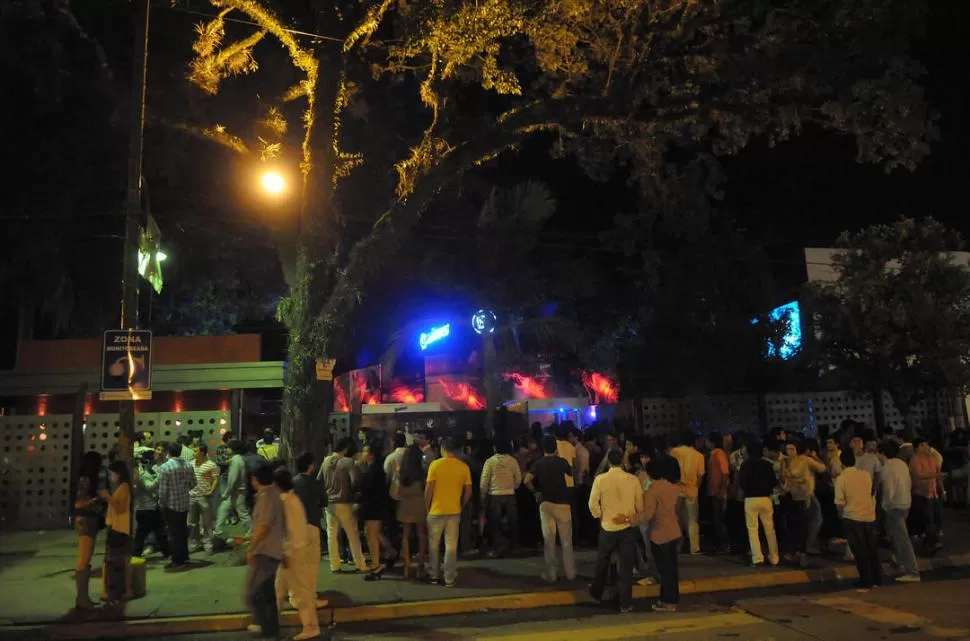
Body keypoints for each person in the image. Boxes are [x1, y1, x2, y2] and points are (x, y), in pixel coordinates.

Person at [589, 449, 643, 614]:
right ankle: (625, 603)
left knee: (602, 561)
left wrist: (600, 515)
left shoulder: (600, 479)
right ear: (622, 461)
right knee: (626, 566)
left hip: (607, 526)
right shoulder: (633, 480)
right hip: (627, 527)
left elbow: (592, 503)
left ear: (609, 461)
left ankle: (597, 592)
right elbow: (639, 506)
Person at [273, 469, 319, 641]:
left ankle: (311, 627)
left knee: (300, 592)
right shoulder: (292, 499)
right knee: (279, 589)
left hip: (292, 553)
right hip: (292, 552)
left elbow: (288, 531)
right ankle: (270, 624)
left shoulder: (286, 502)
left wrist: (285, 552)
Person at [525, 435, 576, 583]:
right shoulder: (562, 462)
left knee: (549, 540)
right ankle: (570, 572)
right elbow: (571, 472)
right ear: (555, 447)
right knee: (566, 540)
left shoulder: (538, 463)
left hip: (546, 504)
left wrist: (535, 492)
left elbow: (526, 480)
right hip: (563, 503)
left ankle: (551, 574)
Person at [243, 464, 286, 640]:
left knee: (252, 593)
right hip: (272, 550)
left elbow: (263, 527)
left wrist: (251, 549)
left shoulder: (266, 497)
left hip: (266, 551)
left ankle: (265, 627)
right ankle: (271, 630)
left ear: (255, 479)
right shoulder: (272, 495)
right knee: (266, 593)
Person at [425, 436, 472, 587]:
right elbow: (468, 492)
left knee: (434, 544)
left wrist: (428, 506)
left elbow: (429, 489)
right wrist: (461, 505)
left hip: (436, 510)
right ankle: (449, 577)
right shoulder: (463, 466)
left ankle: (433, 575)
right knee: (451, 545)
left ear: (443, 449)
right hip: (454, 511)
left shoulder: (435, 465)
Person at [835, 449, 883, 589]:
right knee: (872, 548)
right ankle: (877, 578)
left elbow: (839, 503)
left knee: (859, 550)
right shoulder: (865, 475)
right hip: (868, 515)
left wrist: (841, 516)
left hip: (852, 516)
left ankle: (866, 579)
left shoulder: (841, 478)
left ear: (842, 463)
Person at [319, 438, 368, 573]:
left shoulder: (326, 461)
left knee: (331, 535)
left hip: (329, 503)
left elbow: (319, 480)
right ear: (346, 448)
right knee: (352, 534)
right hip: (344, 502)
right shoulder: (348, 462)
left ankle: (335, 565)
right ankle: (360, 564)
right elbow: (355, 481)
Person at [640, 456, 681, 612]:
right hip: (673, 531)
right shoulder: (673, 487)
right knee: (672, 569)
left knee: (664, 571)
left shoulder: (653, 489)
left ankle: (667, 601)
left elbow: (647, 515)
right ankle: (672, 600)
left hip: (659, 534)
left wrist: (630, 519)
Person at [877, 440, 920, 582]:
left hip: (894, 506)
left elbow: (888, 489)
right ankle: (901, 563)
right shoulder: (901, 464)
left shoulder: (887, 468)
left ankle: (912, 571)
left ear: (882, 453)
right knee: (897, 536)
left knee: (902, 539)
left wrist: (884, 505)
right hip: (905, 503)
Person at [783, 440, 826, 564]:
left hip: (806, 496)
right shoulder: (786, 462)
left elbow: (822, 469)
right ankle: (800, 550)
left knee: (809, 522)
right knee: (796, 525)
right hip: (792, 496)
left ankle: (805, 549)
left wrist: (815, 457)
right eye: (788, 449)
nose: (790, 452)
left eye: (792, 449)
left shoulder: (805, 460)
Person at [292, 452, 326, 607]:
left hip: (296, 526)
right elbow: (324, 501)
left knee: (297, 563)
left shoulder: (293, 483)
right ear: (310, 466)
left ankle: (294, 594)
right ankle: (310, 595)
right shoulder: (316, 483)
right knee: (312, 564)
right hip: (312, 524)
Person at [739, 440, 780, 567]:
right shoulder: (767, 464)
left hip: (751, 499)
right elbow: (773, 481)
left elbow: (742, 482)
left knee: (753, 529)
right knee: (769, 529)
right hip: (765, 498)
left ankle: (757, 558)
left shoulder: (745, 464)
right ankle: (774, 557)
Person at [98, 461, 132, 609]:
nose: (111, 476)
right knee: (116, 561)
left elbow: (119, 507)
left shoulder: (124, 488)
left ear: (118, 474)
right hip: (117, 527)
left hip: (119, 528)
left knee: (115, 562)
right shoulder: (121, 487)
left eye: (112, 473)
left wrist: (107, 497)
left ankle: (117, 592)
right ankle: (117, 591)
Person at [480, 439, 522, 557]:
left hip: (494, 494)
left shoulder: (490, 462)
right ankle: (515, 546)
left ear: (495, 448)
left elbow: (484, 480)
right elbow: (518, 478)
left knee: (495, 523)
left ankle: (497, 548)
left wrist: (483, 494)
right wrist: (513, 487)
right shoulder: (513, 461)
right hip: (510, 494)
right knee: (513, 521)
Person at [73, 451, 104, 610]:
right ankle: (82, 598)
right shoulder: (86, 480)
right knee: (84, 559)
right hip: (86, 520)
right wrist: (97, 499)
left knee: (86, 559)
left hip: (88, 520)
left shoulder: (85, 478)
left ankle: (83, 597)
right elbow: (79, 503)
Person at [158, 441, 196, 569]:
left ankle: (177, 561)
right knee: (182, 531)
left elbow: (163, 490)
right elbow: (193, 483)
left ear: (168, 452)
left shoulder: (165, 467)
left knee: (173, 534)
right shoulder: (188, 465)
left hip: (171, 505)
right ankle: (184, 557)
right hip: (184, 502)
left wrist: (161, 503)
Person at [358, 442, 391, 579]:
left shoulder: (373, 471)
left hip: (373, 506)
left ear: (371, 455)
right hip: (375, 506)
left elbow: (366, 488)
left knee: (371, 536)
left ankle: (376, 566)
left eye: (364, 452)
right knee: (372, 534)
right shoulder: (376, 469)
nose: (362, 454)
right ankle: (388, 552)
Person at [397, 444, 429, 578]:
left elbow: (398, 491)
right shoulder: (422, 473)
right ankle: (420, 565)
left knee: (406, 536)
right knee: (422, 536)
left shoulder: (402, 473)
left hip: (405, 505)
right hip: (420, 505)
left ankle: (406, 565)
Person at [670, 432, 705, 555]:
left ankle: (677, 547)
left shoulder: (674, 452)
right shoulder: (699, 456)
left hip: (676, 490)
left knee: (676, 519)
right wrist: (696, 487)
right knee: (692, 520)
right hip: (692, 491)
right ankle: (694, 547)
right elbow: (700, 476)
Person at [909, 438, 944, 552]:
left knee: (935, 518)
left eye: (926, 444)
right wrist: (935, 475)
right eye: (922, 445)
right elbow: (918, 475)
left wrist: (941, 490)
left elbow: (938, 476)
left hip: (933, 494)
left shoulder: (933, 458)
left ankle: (933, 541)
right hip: (922, 494)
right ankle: (930, 543)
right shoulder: (915, 459)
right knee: (927, 519)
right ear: (916, 448)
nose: (926, 447)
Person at [133, 448, 168, 558]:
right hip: (144, 509)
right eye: (154, 458)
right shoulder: (142, 473)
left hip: (153, 507)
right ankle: (135, 554)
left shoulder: (151, 471)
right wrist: (160, 478)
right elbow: (149, 487)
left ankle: (167, 552)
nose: (156, 460)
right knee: (141, 534)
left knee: (160, 531)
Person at [216, 440, 252, 541]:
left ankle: (250, 532)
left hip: (237, 491)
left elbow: (233, 479)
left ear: (233, 449)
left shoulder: (236, 461)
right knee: (225, 508)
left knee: (242, 512)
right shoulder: (238, 459)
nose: (227, 449)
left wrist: (227, 492)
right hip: (238, 490)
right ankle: (218, 530)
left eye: (228, 447)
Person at [188, 443, 220, 554]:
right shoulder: (190, 464)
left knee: (207, 523)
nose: (193, 452)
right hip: (192, 496)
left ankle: (208, 543)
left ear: (202, 453)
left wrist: (211, 491)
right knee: (192, 522)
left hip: (204, 496)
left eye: (195, 451)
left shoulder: (211, 465)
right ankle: (194, 543)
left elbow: (216, 479)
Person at [707, 432, 730, 554]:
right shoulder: (715, 453)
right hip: (715, 491)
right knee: (717, 519)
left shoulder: (718, 453)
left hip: (718, 492)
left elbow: (725, 472)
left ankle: (724, 544)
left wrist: (722, 489)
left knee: (720, 519)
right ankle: (722, 544)